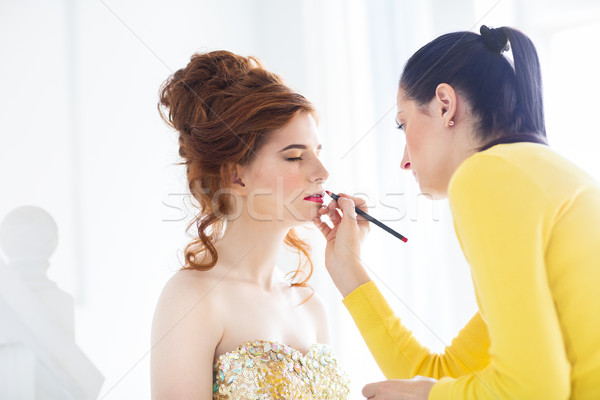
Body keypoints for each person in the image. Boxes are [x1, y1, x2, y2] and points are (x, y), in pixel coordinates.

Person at [314, 25, 600, 399]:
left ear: (445, 105)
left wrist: (431, 397)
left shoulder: (487, 175)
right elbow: (437, 374)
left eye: (403, 124)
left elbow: (533, 390)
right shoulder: (534, 171)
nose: (403, 161)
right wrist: (347, 269)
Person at [150, 50, 350, 399]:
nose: (322, 172)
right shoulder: (192, 298)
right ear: (235, 174)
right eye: (294, 156)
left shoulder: (312, 306)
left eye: (318, 151)